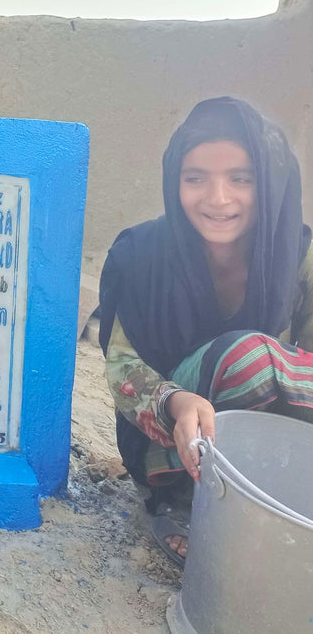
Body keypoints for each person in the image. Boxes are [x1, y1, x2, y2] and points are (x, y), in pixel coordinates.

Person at [98, 96, 313, 567]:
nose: (217, 199)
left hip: (271, 434)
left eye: (241, 178)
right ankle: (178, 500)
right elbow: (121, 365)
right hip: (172, 437)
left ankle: (282, 501)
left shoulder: (298, 253)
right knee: (252, 361)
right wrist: (177, 401)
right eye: (195, 178)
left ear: (271, 182)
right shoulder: (140, 254)